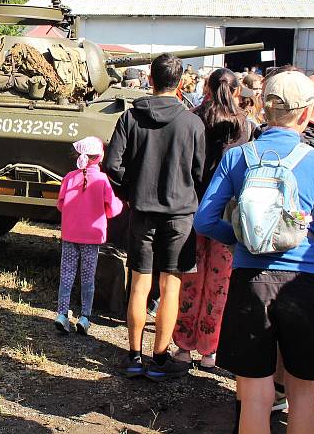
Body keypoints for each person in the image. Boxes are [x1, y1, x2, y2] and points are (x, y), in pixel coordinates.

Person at [194, 70, 314, 434]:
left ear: (264, 110)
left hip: (249, 282)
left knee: (253, 396)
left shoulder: (238, 158)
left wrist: (240, 239)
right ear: (306, 113)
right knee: (302, 395)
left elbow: (204, 220)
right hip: (305, 282)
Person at [103, 53, 205, 381]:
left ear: (151, 78)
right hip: (180, 216)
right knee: (170, 288)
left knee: (139, 284)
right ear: (180, 83)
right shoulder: (192, 123)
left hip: (143, 212)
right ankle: (160, 359)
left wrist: (131, 193)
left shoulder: (131, 118)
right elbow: (200, 171)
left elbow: (112, 165)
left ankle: (134, 356)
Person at [171, 69, 252, 369]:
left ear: (205, 86)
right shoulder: (243, 125)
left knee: (190, 279)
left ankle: (183, 347)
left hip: (192, 208)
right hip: (227, 213)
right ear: (235, 90)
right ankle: (209, 349)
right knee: (220, 283)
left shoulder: (192, 117)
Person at [54, 136, 123, 335]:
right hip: (92, 237)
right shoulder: (102, 180)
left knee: (66, 275)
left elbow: (60, 204)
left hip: (70, 234)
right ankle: (85, 316)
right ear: (100, 157)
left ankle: (61, 314)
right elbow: (113, 207)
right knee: (87, 277)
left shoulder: (69, 177)